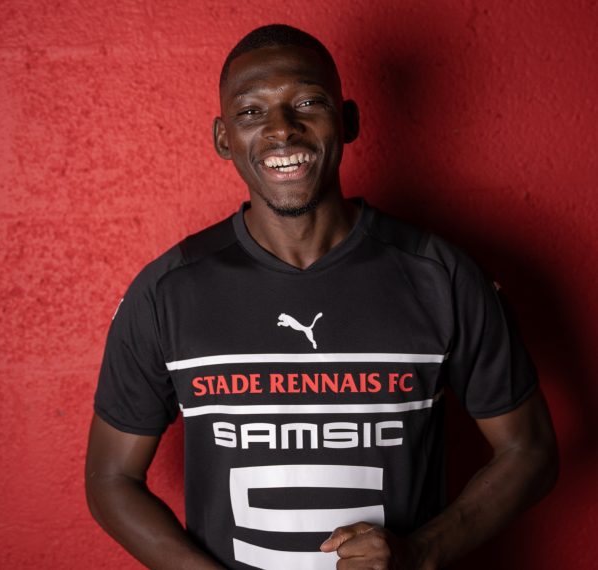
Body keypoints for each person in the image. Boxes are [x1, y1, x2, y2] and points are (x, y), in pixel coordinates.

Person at [85, 24, 558, 570]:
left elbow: (531, 450)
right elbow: (110, 478)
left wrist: (421, 552)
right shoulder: (167, 291)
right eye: (251, 112)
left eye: (308, 102)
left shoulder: (440, 275)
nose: (281, 129)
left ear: (348, 121)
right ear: (223, 138)